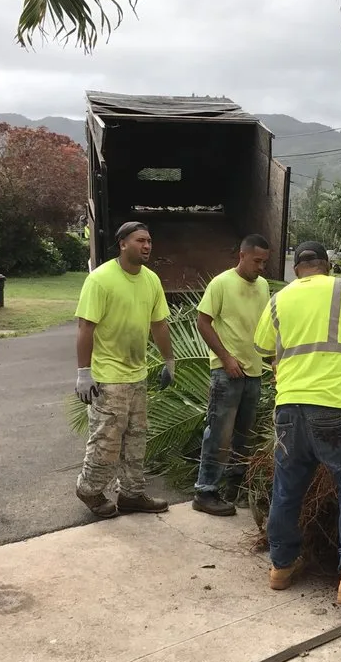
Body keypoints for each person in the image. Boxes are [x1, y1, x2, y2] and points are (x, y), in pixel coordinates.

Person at [253, 241, 341, 607]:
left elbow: (260, 347)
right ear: (327, 265)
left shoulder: (279, 298)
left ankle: (281, 568)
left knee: (287, 490)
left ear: (296, 269)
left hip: (288, 407)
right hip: (334, 405)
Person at [74, 221, 174, 518]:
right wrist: (83, 372)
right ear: (122, 244)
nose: (147, 246)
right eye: (140, 240)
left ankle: (132, 494)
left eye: (149, 241)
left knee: (136, 439)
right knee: (106, 441)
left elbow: (159, 324)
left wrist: (169, 360)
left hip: (137, 375)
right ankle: (89, 490)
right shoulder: (101, 280)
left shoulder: (151, 280)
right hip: (108, 379)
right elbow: (85, 327)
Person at [193, 234, 272, 516]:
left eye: (264, 262)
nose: (261, 267)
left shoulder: (263, 287)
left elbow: (264, 328)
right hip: (226, 373)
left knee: (244, 435)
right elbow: (203, 323)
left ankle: (233, 489)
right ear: (241, 256)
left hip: (254, 372)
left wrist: (273, 360)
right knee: (219, 433)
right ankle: (205, 491)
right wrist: (226, 358)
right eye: (256, 261)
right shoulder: (221, 283)